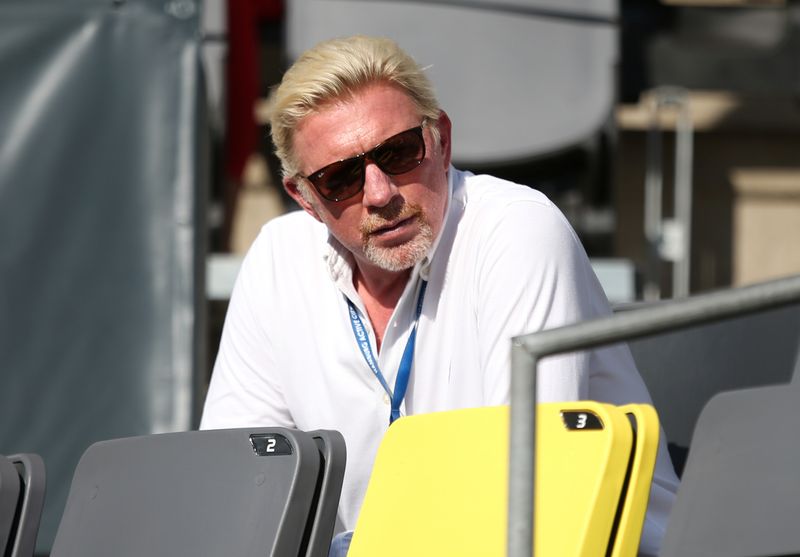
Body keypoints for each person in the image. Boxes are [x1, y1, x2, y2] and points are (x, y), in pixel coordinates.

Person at [201, 35, 679, 556]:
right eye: (340, 178)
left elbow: (528, 489)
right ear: (306, 198)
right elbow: (240, 491)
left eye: (400, 153)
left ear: (442, 141)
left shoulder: (517, 230)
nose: (381, 194)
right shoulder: (278, 257)